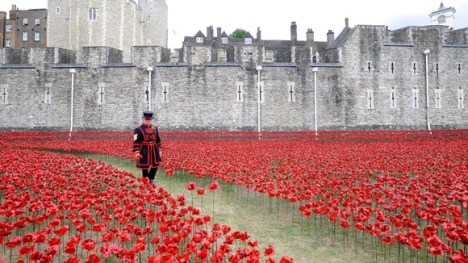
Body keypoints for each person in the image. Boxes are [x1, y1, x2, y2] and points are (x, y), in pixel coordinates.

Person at [133, 111, 162, 184]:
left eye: (149, 120)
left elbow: (158, 140)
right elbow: (136, 141)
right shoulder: (138, 129)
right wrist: (136, 152)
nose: (148, 121)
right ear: (143, 119)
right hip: (144, 149)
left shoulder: (155, 128)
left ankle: (151, 178)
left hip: (154, 149)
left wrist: (159, 150)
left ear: (152, 120)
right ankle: (145, 179)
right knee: (145, 166)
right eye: (146, 120)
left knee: (155, 164)